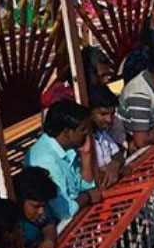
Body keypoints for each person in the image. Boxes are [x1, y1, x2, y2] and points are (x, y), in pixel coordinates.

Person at [25, 99, 101, 232]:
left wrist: (86, 155)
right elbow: (65, 211)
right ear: (67, 133)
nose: (86, 133)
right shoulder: (46, 161)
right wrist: (87, 196)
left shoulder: (67, 147)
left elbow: (85, 187)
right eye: (82, 129)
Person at [12, 166, 59, 248]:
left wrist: (49, 240)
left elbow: (47, 224)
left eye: (43, 206)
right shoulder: (8, 221)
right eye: (36, 206)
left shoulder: (37, 210)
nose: (41, 211)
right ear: (20, 201)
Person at [86, 85, 124, 187]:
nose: (109, 120)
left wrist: (114, 164)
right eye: (103, 114)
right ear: (89, 112)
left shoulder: (101, 133)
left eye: (112, 114)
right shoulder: (82, 140)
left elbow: (117, 153)